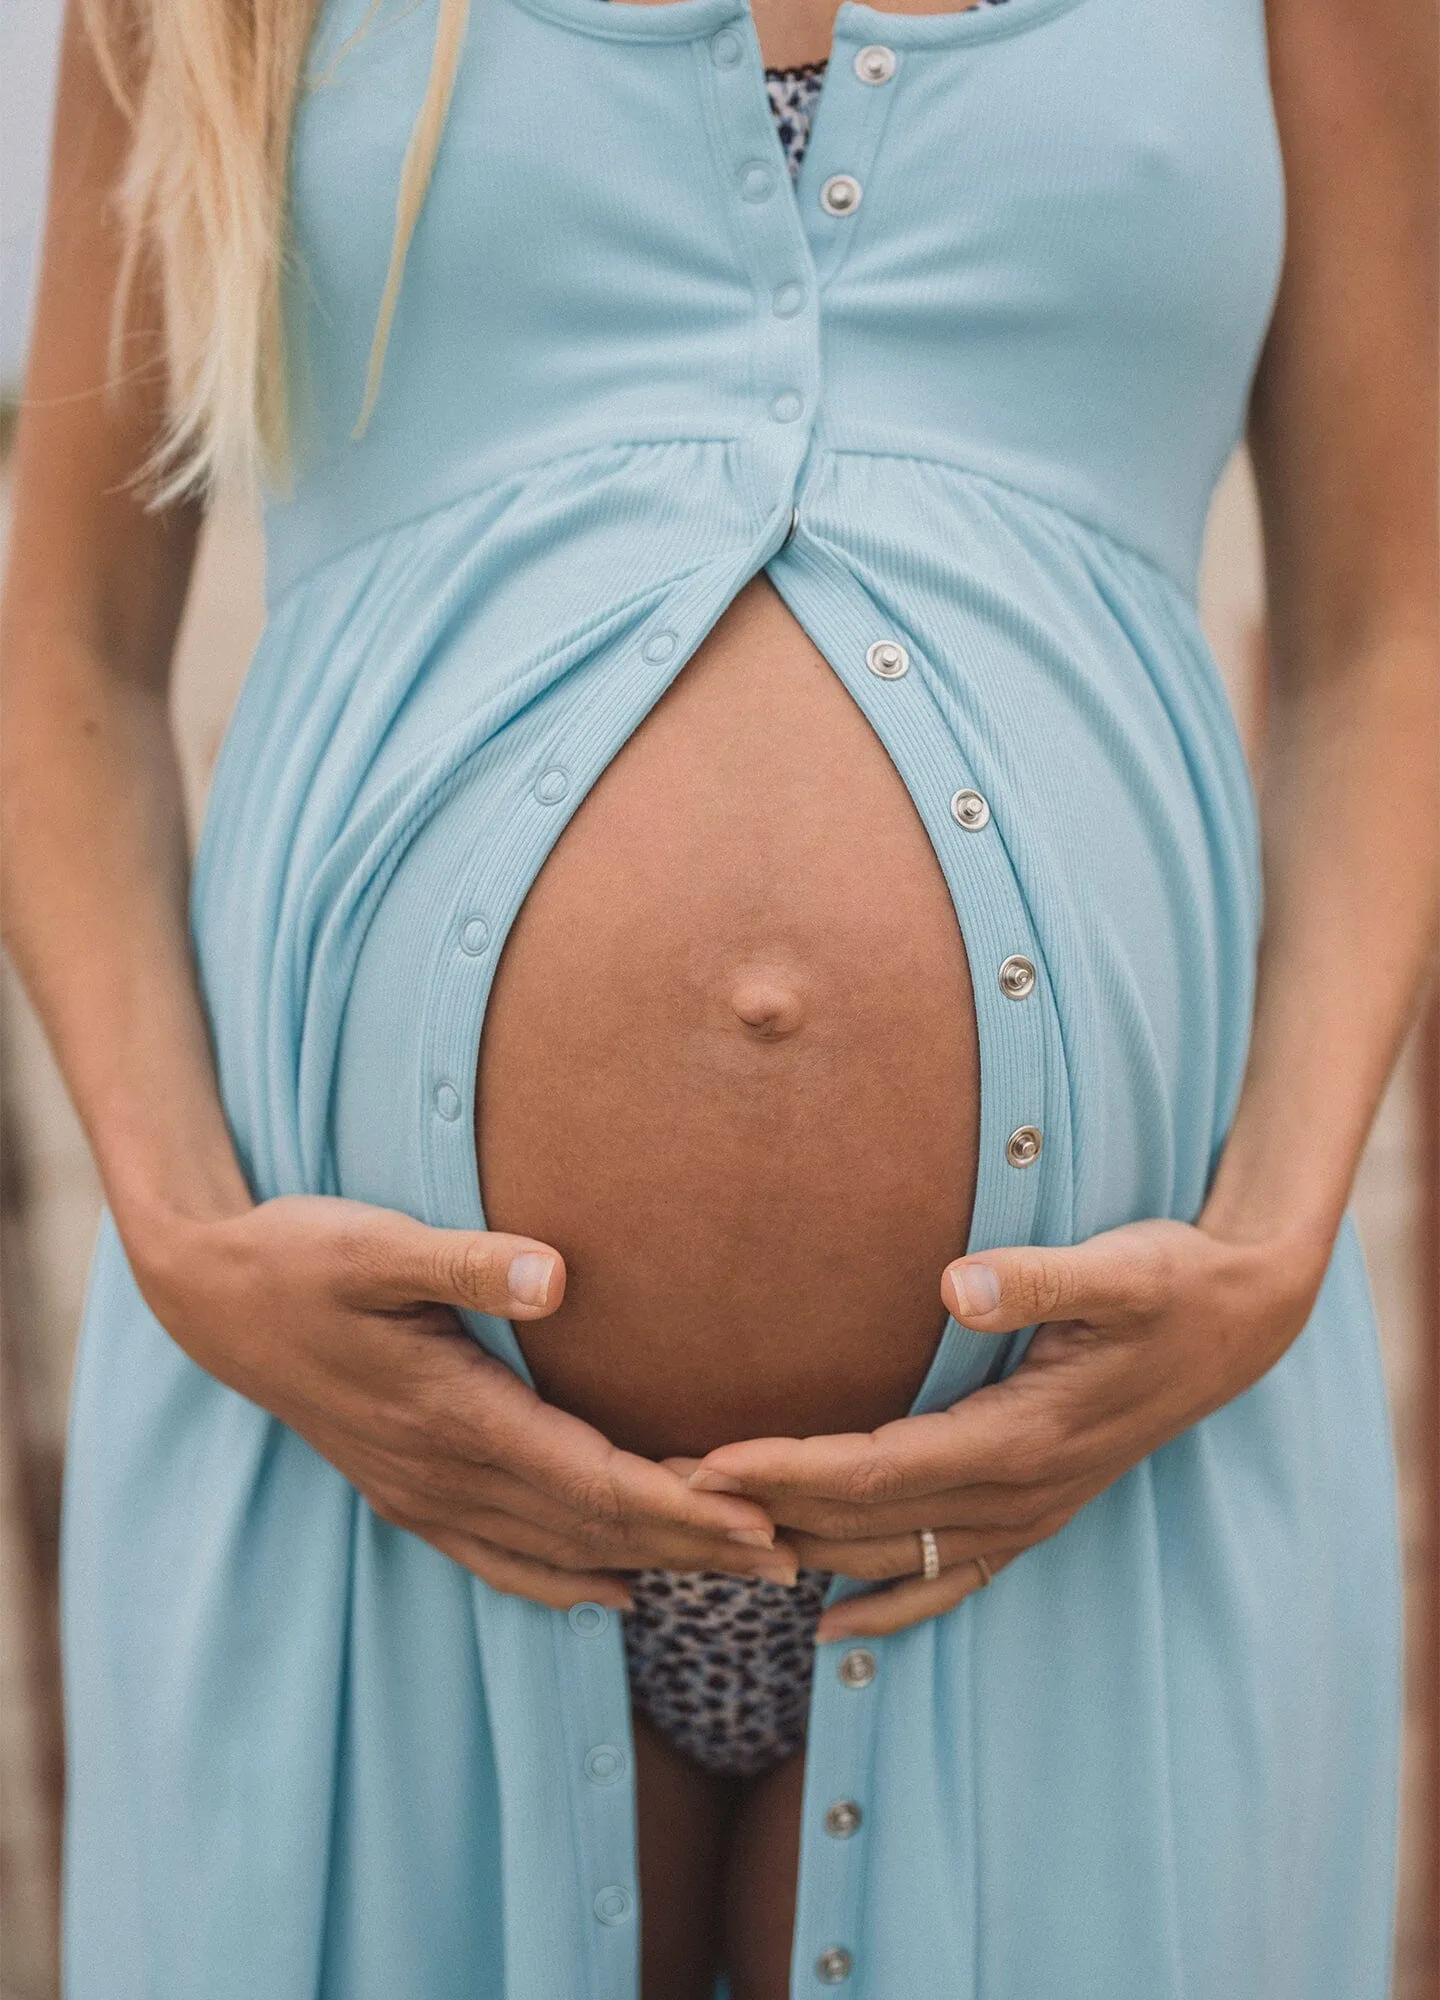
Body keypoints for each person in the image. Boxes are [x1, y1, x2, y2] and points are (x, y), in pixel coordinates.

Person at [2, 0, 1434, 1991]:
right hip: (361, 1465)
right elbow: (61, 647)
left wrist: (1278, 1240)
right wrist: (174, 1231)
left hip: (1098, 1479)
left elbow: (1389, 626)